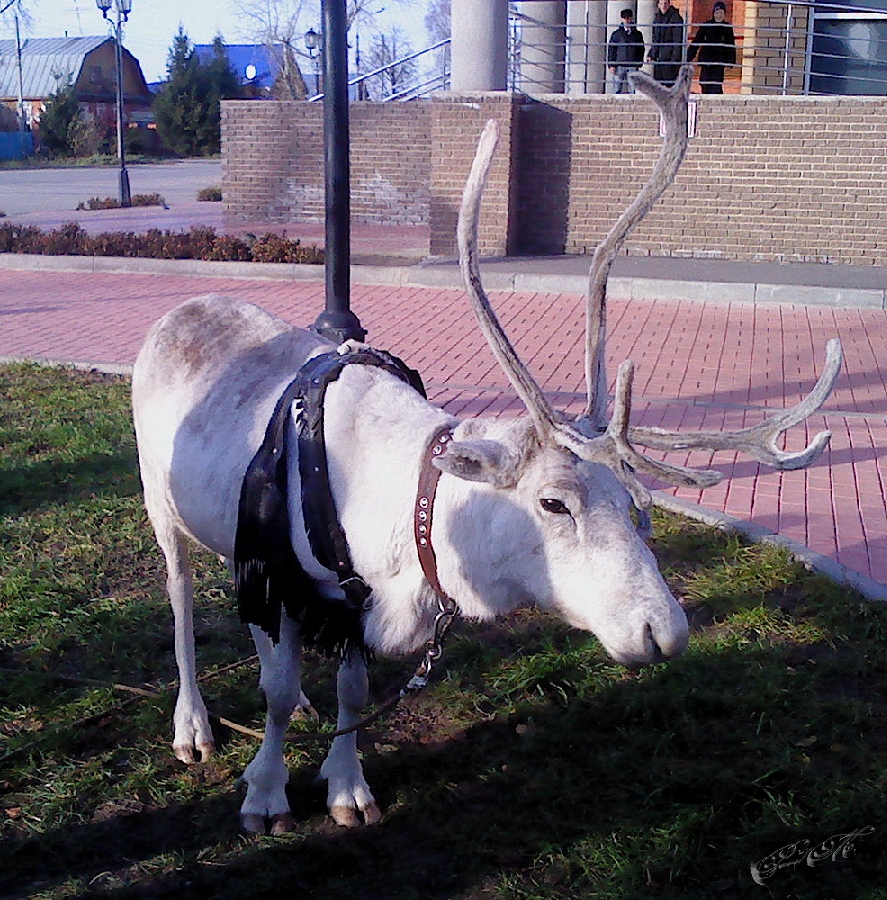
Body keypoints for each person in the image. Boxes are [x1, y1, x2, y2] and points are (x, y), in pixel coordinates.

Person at [688, 1, 737, 94]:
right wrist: (689, 56)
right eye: (717, 12)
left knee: (716, 86)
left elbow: (730, 44)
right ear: (713, 13)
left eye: (721, 13)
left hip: (718, 63)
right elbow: (697, 41)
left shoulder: (727, 28)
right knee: (704, 83)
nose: (719, 15)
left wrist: (731, 60)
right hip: (706, 61)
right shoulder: (707, 26)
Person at [607, 9, 645, 94]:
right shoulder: (616, 34)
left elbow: (641, 49)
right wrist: (611, 65)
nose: (626, 20)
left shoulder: (637, 34)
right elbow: (611, 50)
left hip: (632, 64)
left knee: (633, 89)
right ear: (622, 19)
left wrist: (639, 62)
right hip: (619, 64)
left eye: (628, 18)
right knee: (617, 88)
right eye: (624, 18)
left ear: (631, 18)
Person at [648, 0, 685, 86]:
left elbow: (677, 40)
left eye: (665, 3)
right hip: (659, 59)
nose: (663, 6)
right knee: (658, 86)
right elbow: (655, 39)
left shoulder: (675, 18)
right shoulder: (657, 19)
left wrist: (674, 60)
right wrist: (651, 54)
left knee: (668, 87)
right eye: (661, 3)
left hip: (670, 59)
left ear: (669, 4)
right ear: (658, 5)